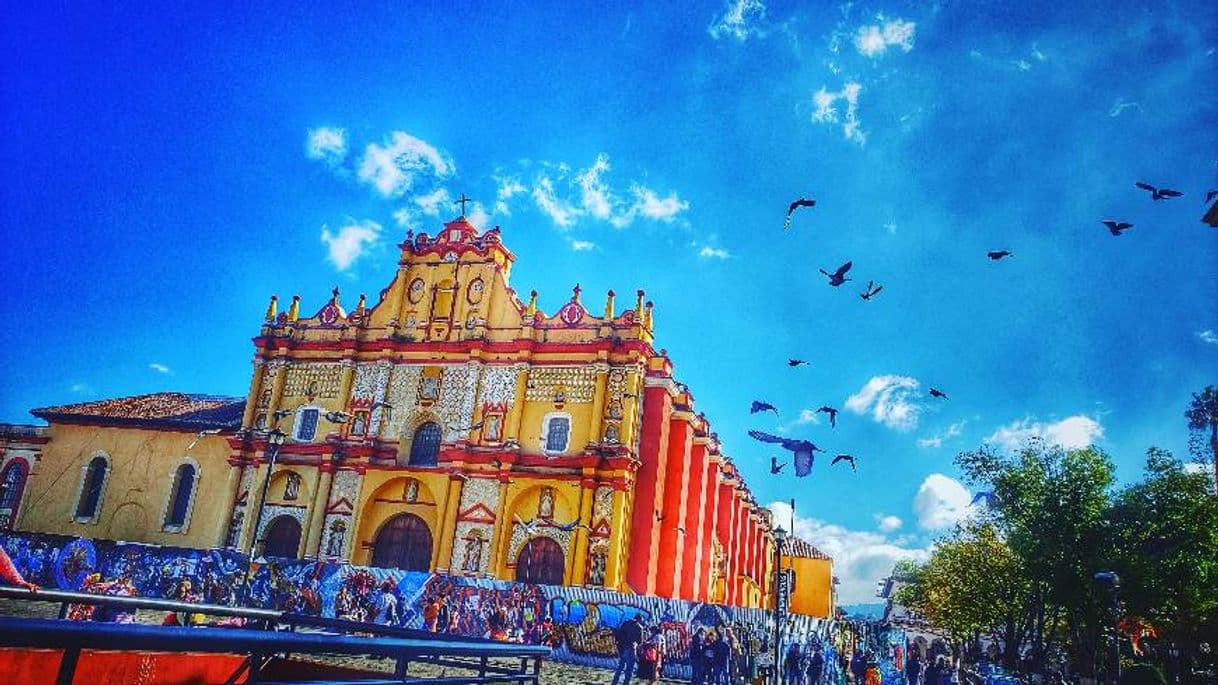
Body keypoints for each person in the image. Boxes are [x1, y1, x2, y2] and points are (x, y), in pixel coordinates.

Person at [611, 614, 644, 685]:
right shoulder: (639, 628)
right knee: (629, 668)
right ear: (640, 620)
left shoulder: (626, 623)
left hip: (623, 648)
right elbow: (640, 641)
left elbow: (619, 633)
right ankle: (626, 683)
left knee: (621, 666)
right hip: (632, 648)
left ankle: (614, 682)